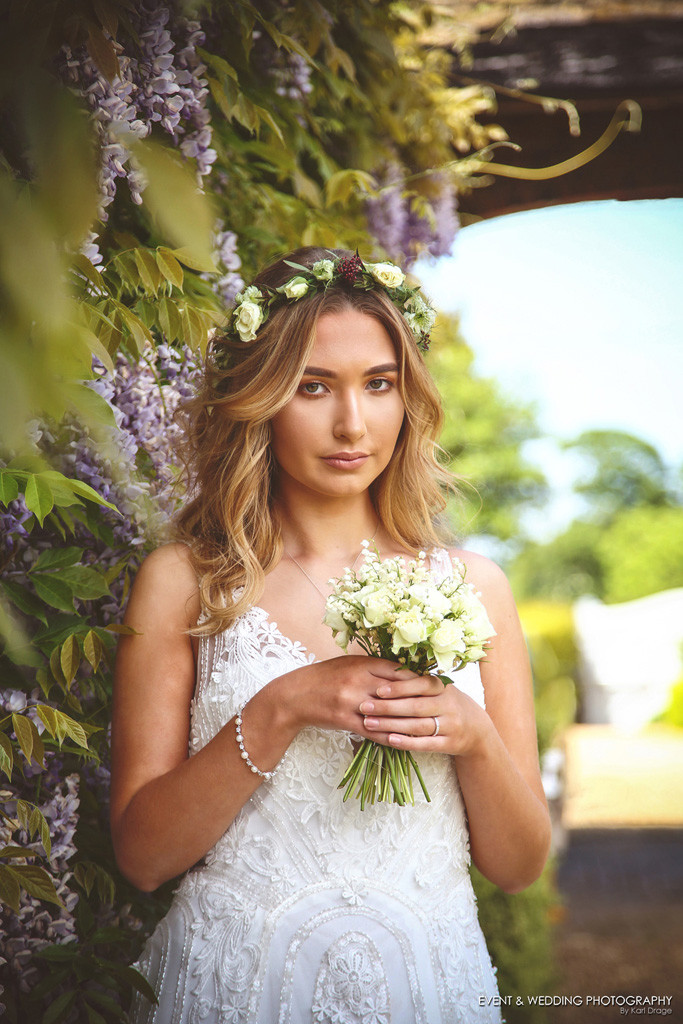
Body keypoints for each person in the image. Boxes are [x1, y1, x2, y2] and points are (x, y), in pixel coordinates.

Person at [111, 247, 551, 1024]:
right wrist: (278, 707)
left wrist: (474, 739)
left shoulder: (474, 588)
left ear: (406, 398)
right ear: (261, 398)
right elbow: (142, 859)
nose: (352, 422)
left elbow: (517, 868)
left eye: (378, 384)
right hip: (233, 988)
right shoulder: (186, 583)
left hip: (427, 985)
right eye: (313, 387)